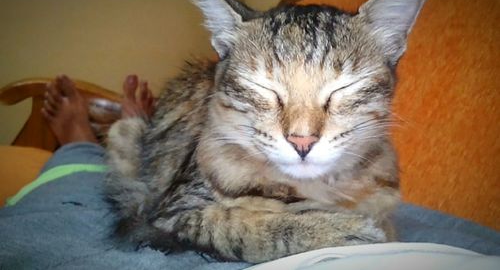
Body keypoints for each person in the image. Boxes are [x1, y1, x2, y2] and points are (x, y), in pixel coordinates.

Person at [0, 76, 499, 269]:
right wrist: (284, 236)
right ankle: (81, 139)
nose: (302, 130)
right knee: (92, 172)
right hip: (189, 163)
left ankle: (123, 127)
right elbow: (160, 218)